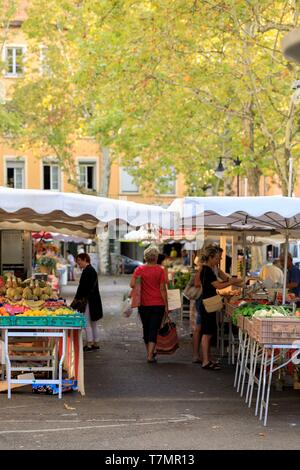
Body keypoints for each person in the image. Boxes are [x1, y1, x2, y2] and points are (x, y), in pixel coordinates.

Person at [199, 246, 242, 370]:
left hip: (209, 302)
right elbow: (218, 285)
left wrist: (237, 281)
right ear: (211, 257)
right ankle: (205, 361)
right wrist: (232, 283)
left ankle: (208, 359)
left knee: (209, 332)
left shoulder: (211, 269)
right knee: (207, 333)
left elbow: (224, 279)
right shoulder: (206, 270)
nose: (219, 259)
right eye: (217, 258)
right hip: (208, 303)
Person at [130, 245, 168, 363]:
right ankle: (150, 355)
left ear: (145, 257)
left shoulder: (139, 270)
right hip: (158, 304)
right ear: (156, 257)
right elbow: (163, 288)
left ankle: (149, 353)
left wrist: (139, 280)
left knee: (146, 328)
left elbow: (132, 285)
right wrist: (166, 305)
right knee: (154, 329)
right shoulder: (161, 270)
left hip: (144, 304)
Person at [72, 253, 103, 352]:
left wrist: (77, 299)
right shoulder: (91, 270)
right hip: (94, 300)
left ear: (85, 259)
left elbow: (82, 288)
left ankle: (89, 343)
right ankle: (95, 342)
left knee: (86, 322)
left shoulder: (87, 271)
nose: (78, 264)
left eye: (79, 261)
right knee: (93, 323)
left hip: (88, 300)